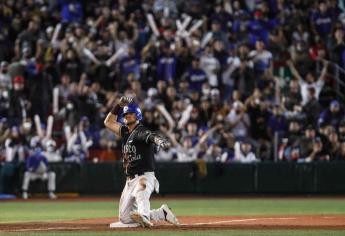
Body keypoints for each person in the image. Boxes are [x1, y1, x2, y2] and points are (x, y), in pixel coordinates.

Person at [104, 96, 179, 228]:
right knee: (125, 218)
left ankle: (144, 215)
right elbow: (108, 122)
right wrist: (118, 105)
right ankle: (161, 213)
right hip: (130, 180)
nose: (127, 116)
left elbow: (151, 136)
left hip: (144, 176)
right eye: (126, 114)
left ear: (137, 115)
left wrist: (160, 140)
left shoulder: (141, 131)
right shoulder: (125, 132)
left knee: (142, 188)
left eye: (131, 113)